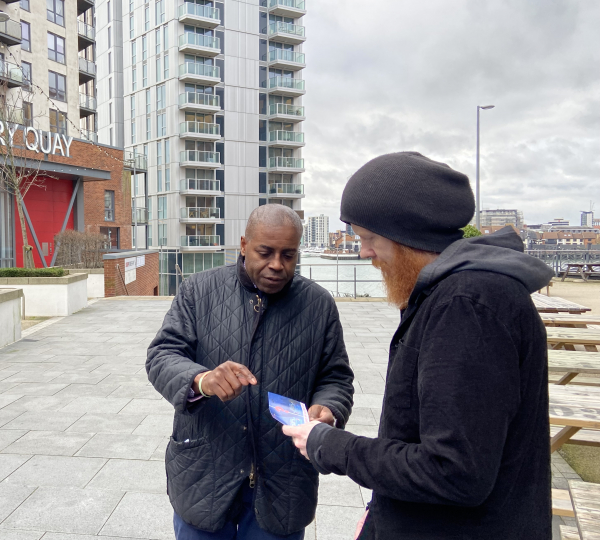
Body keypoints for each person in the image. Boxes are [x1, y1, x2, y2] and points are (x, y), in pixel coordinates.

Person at [283, 152, 554, 540]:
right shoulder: (455, 294)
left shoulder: (466, 305)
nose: (363, 252)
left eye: (369, 238)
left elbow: (453, 471)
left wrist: (330, 445)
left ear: (407, 236)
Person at [147, 204, 355, 539]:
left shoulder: (319, 305)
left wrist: (328, 409)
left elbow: (336, 377)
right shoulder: (198, 291)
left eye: (288, 255)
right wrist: (202, 380)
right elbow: (162, 355)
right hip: (204, 475)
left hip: (282, 484)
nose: (277, 264)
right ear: (243, 245)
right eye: (265, 252)